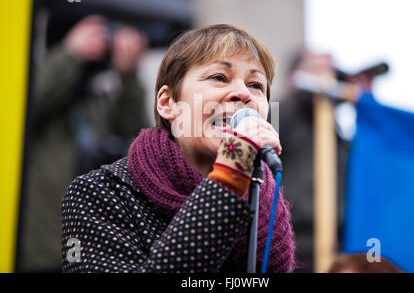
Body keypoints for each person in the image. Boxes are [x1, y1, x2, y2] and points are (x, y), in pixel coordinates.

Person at [61, 24, 296, 273]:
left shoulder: (266, 200)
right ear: (168, 103)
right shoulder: (99, 194)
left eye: (256, 85)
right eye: (218, 77)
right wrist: (229, 176)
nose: (242, 93)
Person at [19, 15, 149, 271]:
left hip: (91, 254)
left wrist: (128, 74)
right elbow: (26, 105)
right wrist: (69, 53)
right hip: (40, 253)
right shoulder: (45, 94)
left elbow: (140, 142)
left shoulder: (96, 102)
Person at [279, 50, 376, 272]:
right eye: (317, 68)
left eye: (332, 72)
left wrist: (369, 108)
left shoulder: (339, 141)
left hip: (339, 252)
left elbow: (374, 176)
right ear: (293, 76)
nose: (327, 76)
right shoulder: (281, 118)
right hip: (295, 250)